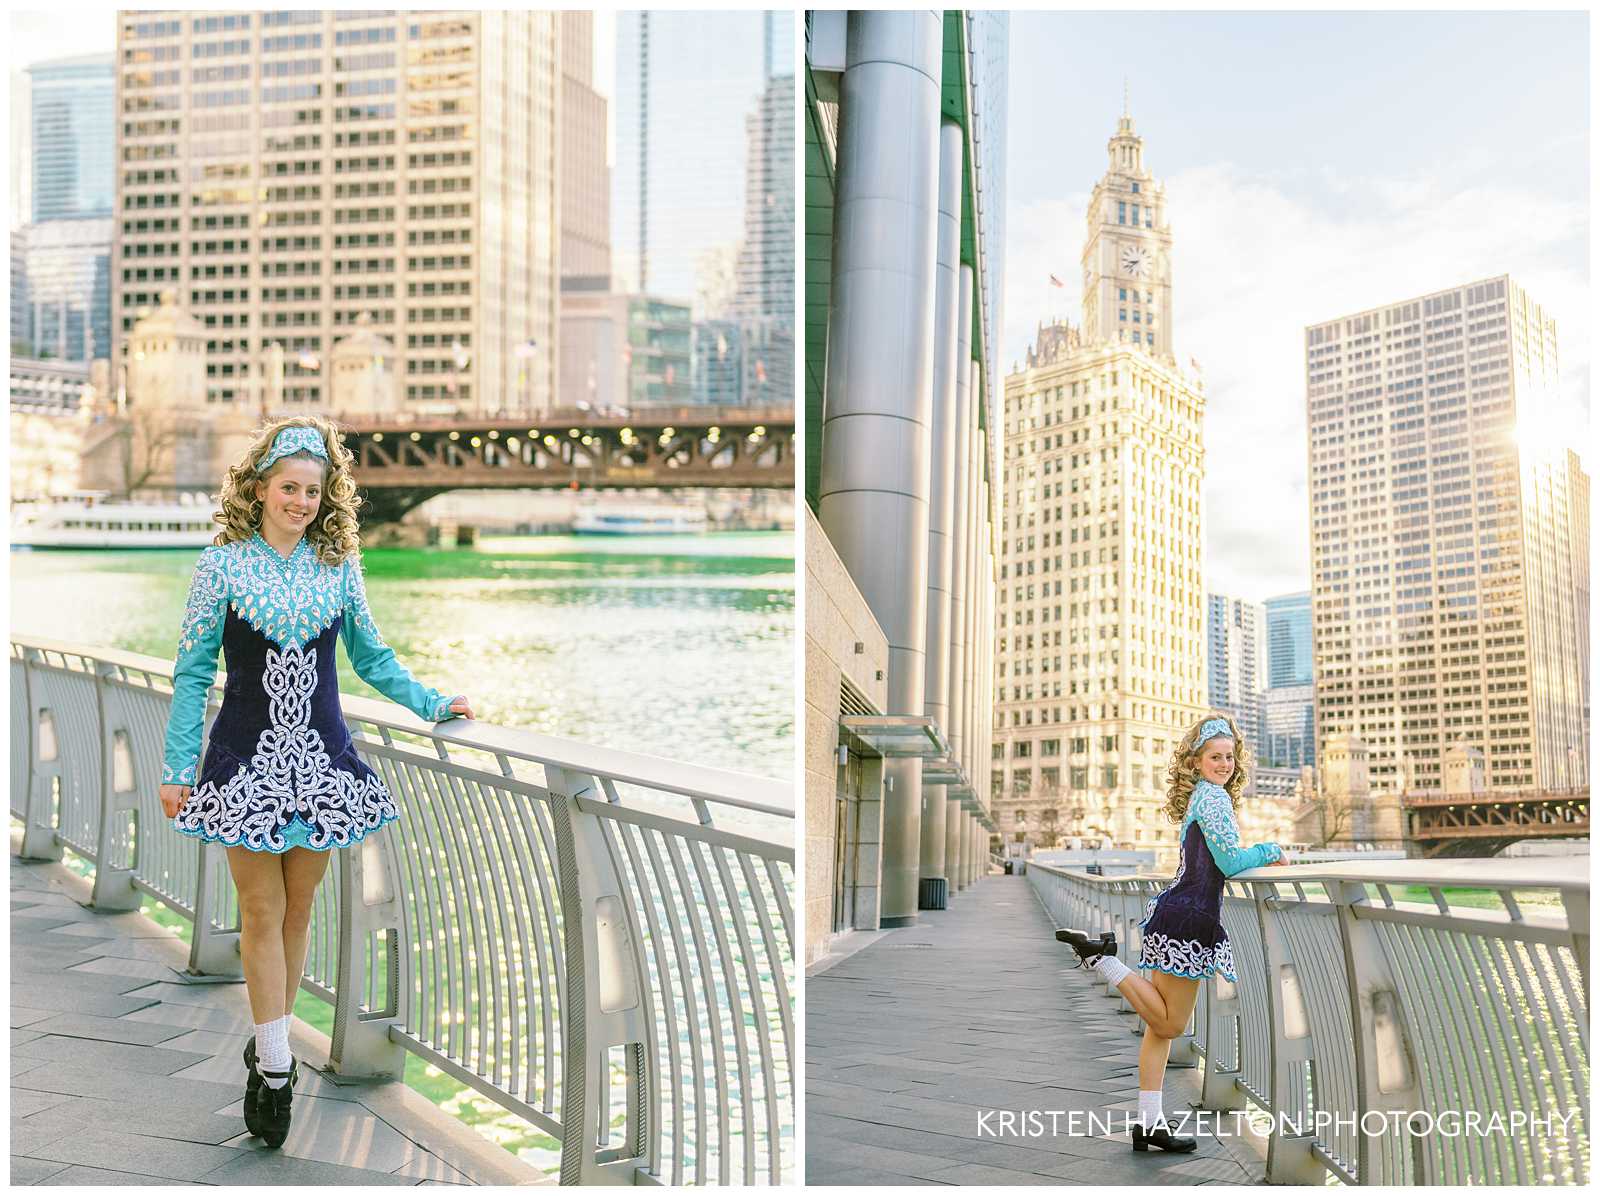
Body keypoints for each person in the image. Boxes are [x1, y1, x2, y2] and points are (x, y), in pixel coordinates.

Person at [156, 415, 474, 1149]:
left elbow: (372, 657)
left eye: (313, 491)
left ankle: (270, 1040)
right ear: (260, 487)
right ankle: (274, 1064)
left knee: (300, 913)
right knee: (259, 912)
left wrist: (433, 701)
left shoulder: (339, 565)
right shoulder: (221, 565)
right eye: (289, 488)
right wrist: (179, 770)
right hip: (243, 765)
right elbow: (194, 672)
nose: (301, 501)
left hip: (323, 767)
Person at [1057, 714, 1287, 1153]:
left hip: (1174, 913)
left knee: (1158, 1031)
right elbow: (1232, 862)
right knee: (1171, 1022)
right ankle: (1102, 959)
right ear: (1197, 761)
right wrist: (1273, 850)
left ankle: (1148, 1125)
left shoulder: (1201, 797)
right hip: (1190, 920)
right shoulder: (1214, 799)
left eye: (1229, 757)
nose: (1224, 764)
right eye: (1215, 757)